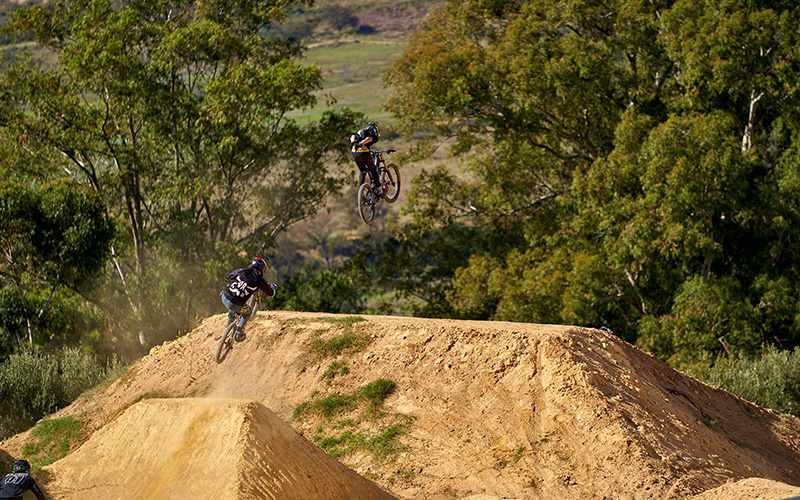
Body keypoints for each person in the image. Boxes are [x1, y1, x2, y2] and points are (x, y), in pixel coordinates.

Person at [221, 257, 277, 342]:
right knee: (248, 312)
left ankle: (230, 320)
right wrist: (273, 288)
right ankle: (239, 334)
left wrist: (228, 274)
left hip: (224, 297)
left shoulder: (242, 271)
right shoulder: (259, 280)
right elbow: (271, 293)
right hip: (235, 304)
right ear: (262, 270)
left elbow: (227, 277)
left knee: (234, 299)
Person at [350, 122, 383, 195]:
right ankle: (379, 188)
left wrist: (354, 143)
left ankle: (360, 192)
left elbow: (352, 136)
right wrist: (361, 144)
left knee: (363, 171)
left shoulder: (360, 132)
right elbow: (369, 138)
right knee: (373, 169)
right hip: (363, 152)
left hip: (354, 153)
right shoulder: (374, 137)